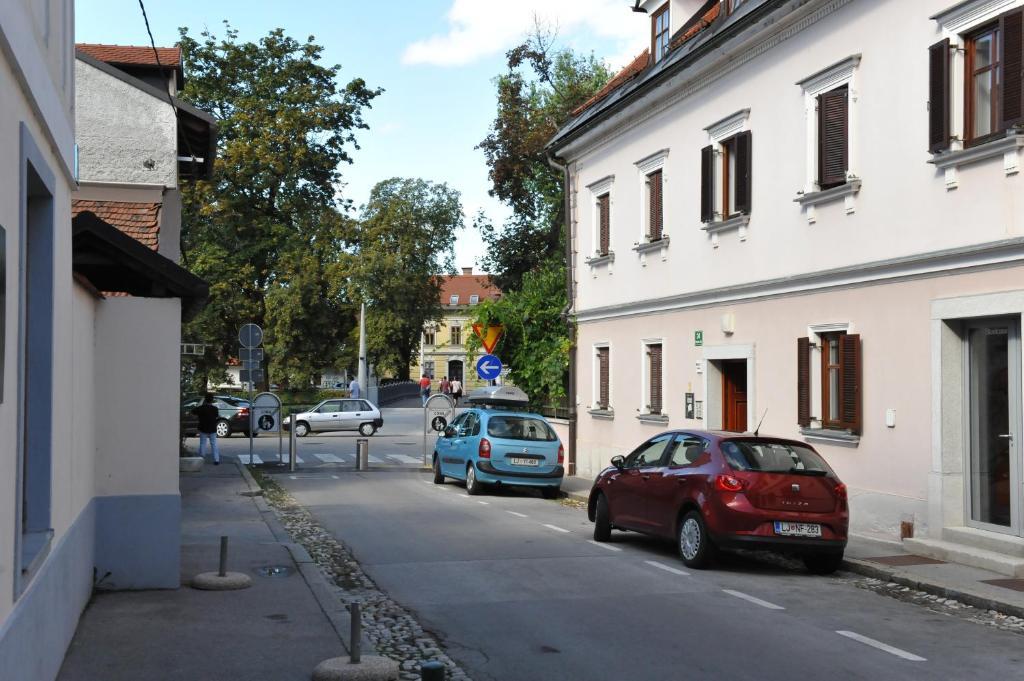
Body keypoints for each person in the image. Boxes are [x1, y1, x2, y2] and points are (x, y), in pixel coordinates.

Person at [192, 393, 221, 465]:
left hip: (203, 428)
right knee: (214, 444)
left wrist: (201, 402)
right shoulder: (215, 409)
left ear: (205, 400)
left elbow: (193, 411)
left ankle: (202, 458)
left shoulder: (201, 408)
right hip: (212, 428)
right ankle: (216, 459)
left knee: (203, 443)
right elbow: (217, 416)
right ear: (212, 400)